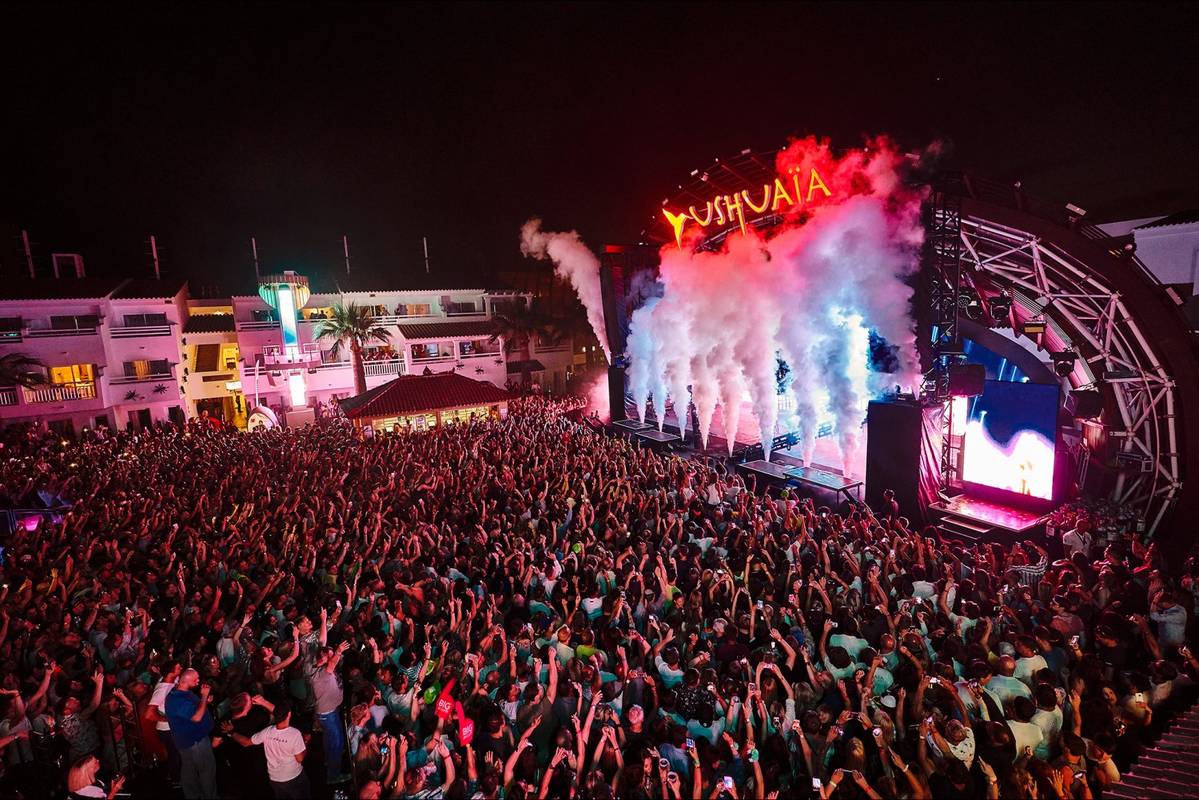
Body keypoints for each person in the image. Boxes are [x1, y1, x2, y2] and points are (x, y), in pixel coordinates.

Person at [164, 668, 219, 799]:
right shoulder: (177, 700)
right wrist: (204, 696)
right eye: (196, 679)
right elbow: (196, 717)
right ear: (186, 680)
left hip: (187, 740)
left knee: (189, 768)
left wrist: (205, 702)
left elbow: (194, 709)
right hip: (195, 741)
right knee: (206, 769)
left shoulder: (182, 692)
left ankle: (193, 795)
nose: (198, 681)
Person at [243, 701, 308, 799]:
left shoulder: (267, 731)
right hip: (293, 777)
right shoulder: (294, 734)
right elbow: (300, 758)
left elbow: (246, 742)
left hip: (275, 779)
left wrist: (231, 732)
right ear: (289, 714)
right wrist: (306, 742)